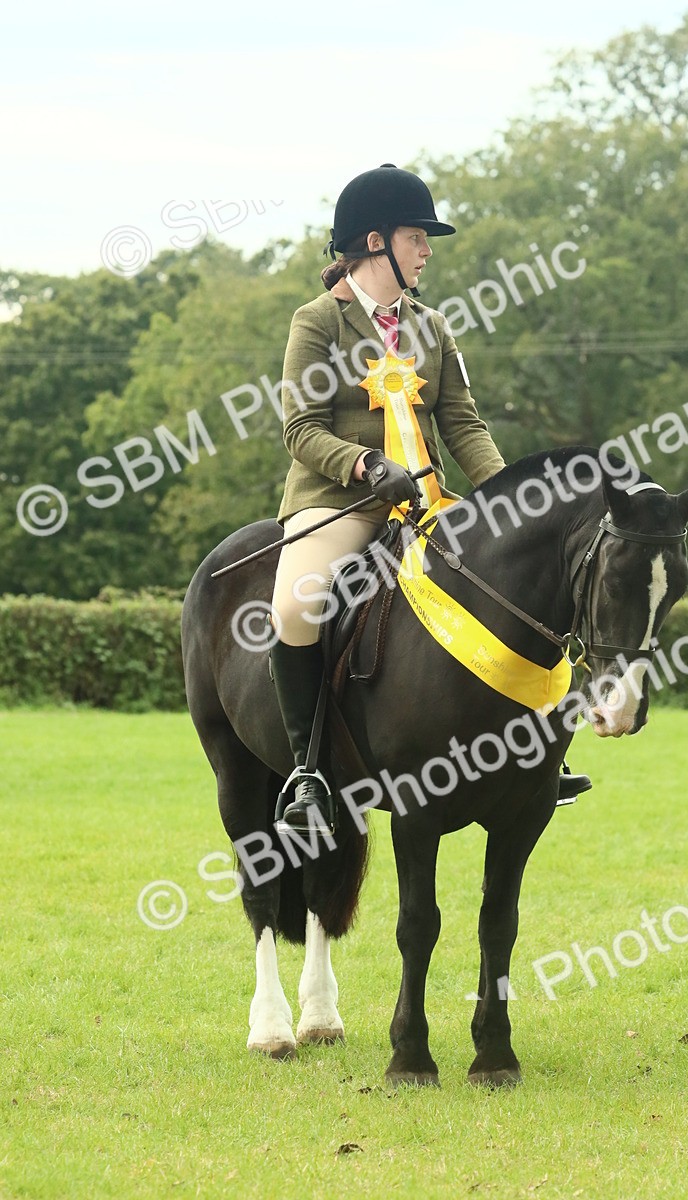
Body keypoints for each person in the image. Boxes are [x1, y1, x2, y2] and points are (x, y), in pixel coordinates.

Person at [270, 164, 590, 834]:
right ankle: (308, 771)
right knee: (296, 605)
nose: (427, 251)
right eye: (417, 237)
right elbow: (301, 428)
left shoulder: (433, 326)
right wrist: (364, 464)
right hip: (340, 502)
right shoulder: (317, 322)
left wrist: (511, 498)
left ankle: (537, 754)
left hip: (427, 503)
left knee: (516, 588)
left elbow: (463, 423)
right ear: (376, 242)